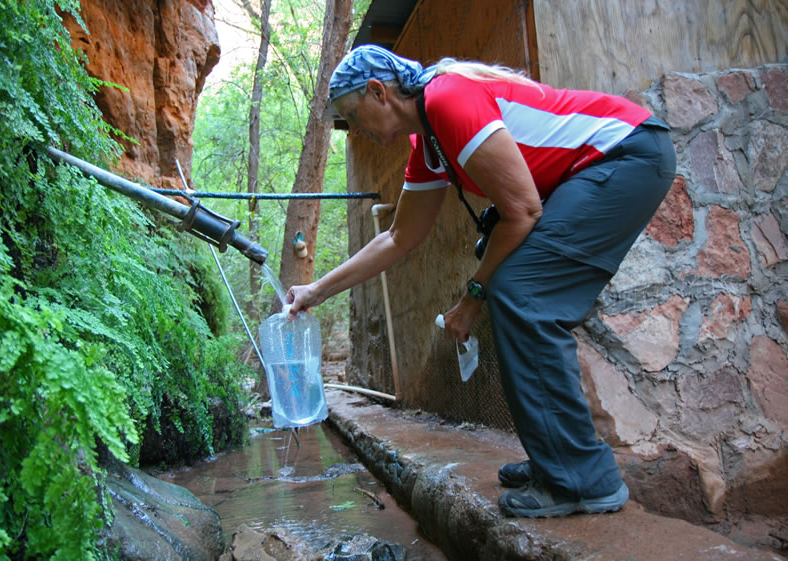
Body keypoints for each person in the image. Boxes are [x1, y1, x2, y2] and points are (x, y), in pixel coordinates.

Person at [285, 45, 676, 518]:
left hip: (627, 154)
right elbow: (397, 238)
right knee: (513, 288)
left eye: (354, 114)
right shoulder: (427, 144)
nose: (358, 128)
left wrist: (472, 298)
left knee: (520, 293)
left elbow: (524, 211)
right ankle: (557, 462)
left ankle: (582, 480)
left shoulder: (448, 99)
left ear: (377, 91)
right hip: (606, 163)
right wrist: (315, 292)